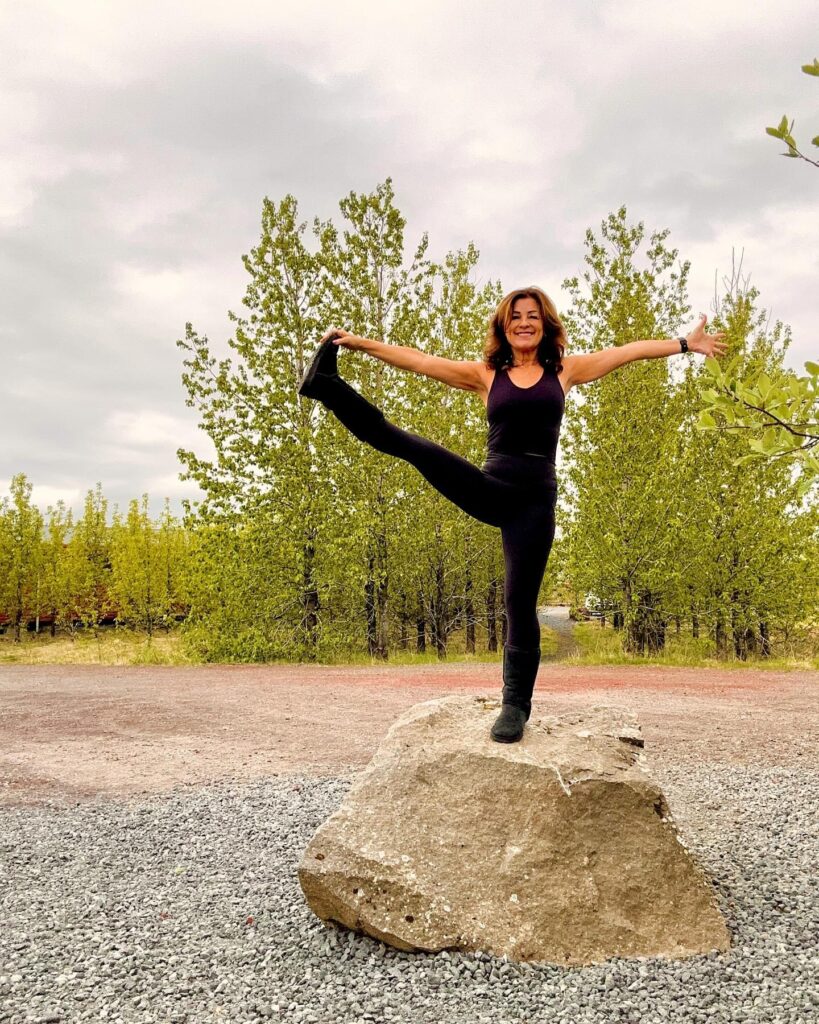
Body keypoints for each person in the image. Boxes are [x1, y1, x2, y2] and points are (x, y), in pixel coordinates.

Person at [298, 287, 727, 742]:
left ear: (546, 325)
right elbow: (420, 360)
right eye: (516, 316)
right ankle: (327, 386)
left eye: (533, 317)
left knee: (519, 603)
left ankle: (514, 705)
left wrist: (685, 344)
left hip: (535, 504)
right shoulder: (485, 374)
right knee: (411, 447)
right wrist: (361, 343)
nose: (524, 323)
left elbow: (626, 353)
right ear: (504, 325)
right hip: (491, 488)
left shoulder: (565, 370)